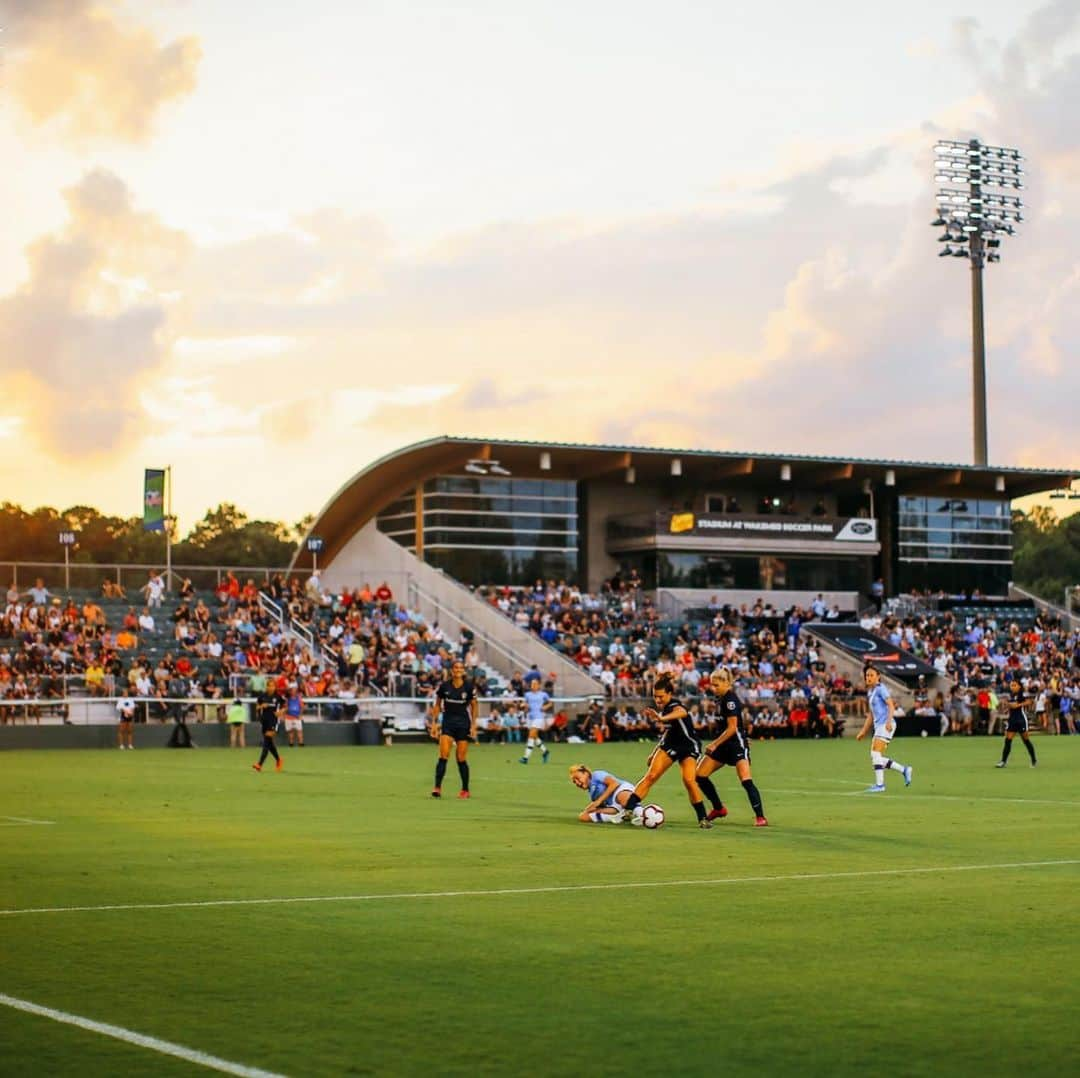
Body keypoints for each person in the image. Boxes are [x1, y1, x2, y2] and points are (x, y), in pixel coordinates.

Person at [620, 673, 712, 828]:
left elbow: (682, 712)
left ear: (670, 694)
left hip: (688, 746)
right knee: (651, 776)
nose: (657, 700)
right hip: (670, 744)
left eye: (661, 696)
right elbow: (668, 732)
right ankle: (628, 810)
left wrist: (662, 719)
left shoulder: (675, 706)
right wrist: (655, 751)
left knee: (689, 780)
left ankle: (703, 818)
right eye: (655, 696)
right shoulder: (664, 709)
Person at [695, 668, 767, 826]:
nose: (713, 688)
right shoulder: (719, 698)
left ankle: (760, 817)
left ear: (727, 683)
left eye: (716, 685)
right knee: (700, 775)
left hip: (735, 744)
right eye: (712, 685)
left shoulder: (730, 700)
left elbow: (732, 728)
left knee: (746, 780)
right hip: (723, 744)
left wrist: (714, 744)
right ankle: (719, 808)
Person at [856, 666, 912, 792]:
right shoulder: (871, 692)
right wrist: (863, 731)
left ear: (878, 676)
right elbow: (871, 714)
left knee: (876, 754)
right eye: (867, 675)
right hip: (879, 726)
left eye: (871, 675)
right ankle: (904, 770)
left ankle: (880, 785)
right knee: (875, 756)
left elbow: (891, 705)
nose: (868, 677)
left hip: (886, 725)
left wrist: (888, 721)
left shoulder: (881, 689)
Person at [430, 660, 477, 799]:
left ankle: (465, 789)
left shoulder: (469, 687)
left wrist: (474, 725)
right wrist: (434, 723)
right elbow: (438, 705)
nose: (458, 670)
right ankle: (437, 787)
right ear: (452, 671)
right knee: (443, 755)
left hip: (463, 724)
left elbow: (475, 706)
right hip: (448, 723)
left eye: (461, 668)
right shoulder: (444, 686)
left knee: (461, 758)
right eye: (456, 668)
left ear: (463, 671)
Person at [568, 763, 645, 825]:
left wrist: (598, 801)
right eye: (574, 782)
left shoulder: (597, 775)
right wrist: (589, 809)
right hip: (614, 805)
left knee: (623, 798)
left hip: (621, 789)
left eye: (578, 778)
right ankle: (615, 817)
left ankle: (642, 815)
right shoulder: (592, 794)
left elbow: (614, 784)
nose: (577, 783)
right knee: (583, 816)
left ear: (586, 773)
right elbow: (602, 806)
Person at [996, 677, 1037, 768]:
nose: (1012, 687)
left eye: (1014, 685)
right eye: (1011, 685)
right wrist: (1007, 708)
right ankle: (1003, 761)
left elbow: (1030, 701)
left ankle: (1034, 760)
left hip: (1021, 719)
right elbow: (1012, 705)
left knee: (1026, 740)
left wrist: (1017, 705)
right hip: (1012, 720)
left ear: (1019, 686)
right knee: (1007, 740)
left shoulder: (1022, 694)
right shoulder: (1012, 695)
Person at [519, 681, 552, 764]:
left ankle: (525, 758)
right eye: (532, 684)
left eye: (535, 684)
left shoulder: (543, 694)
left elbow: (550, 703)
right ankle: (545, 751)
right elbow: (525, 704)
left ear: (538, 685)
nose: (533, 686)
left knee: (531, 735)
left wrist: (545, 707)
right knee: (534, 736)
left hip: (538, 717)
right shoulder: (527, 694)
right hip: (530, 717)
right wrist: (524, 706)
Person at [252, 686, 283, 772]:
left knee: (266, 741)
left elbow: (285, 706)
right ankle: (278, 759)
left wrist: (281, 712)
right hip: (264, 721)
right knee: (269, 743)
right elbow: (257, 707)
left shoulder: (278, 696)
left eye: (273, 686)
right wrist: (262, 706)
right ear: (267, 687)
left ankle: (259, 764)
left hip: (273, 721)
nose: (271, 688)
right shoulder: (262, 696)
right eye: (269, 686)